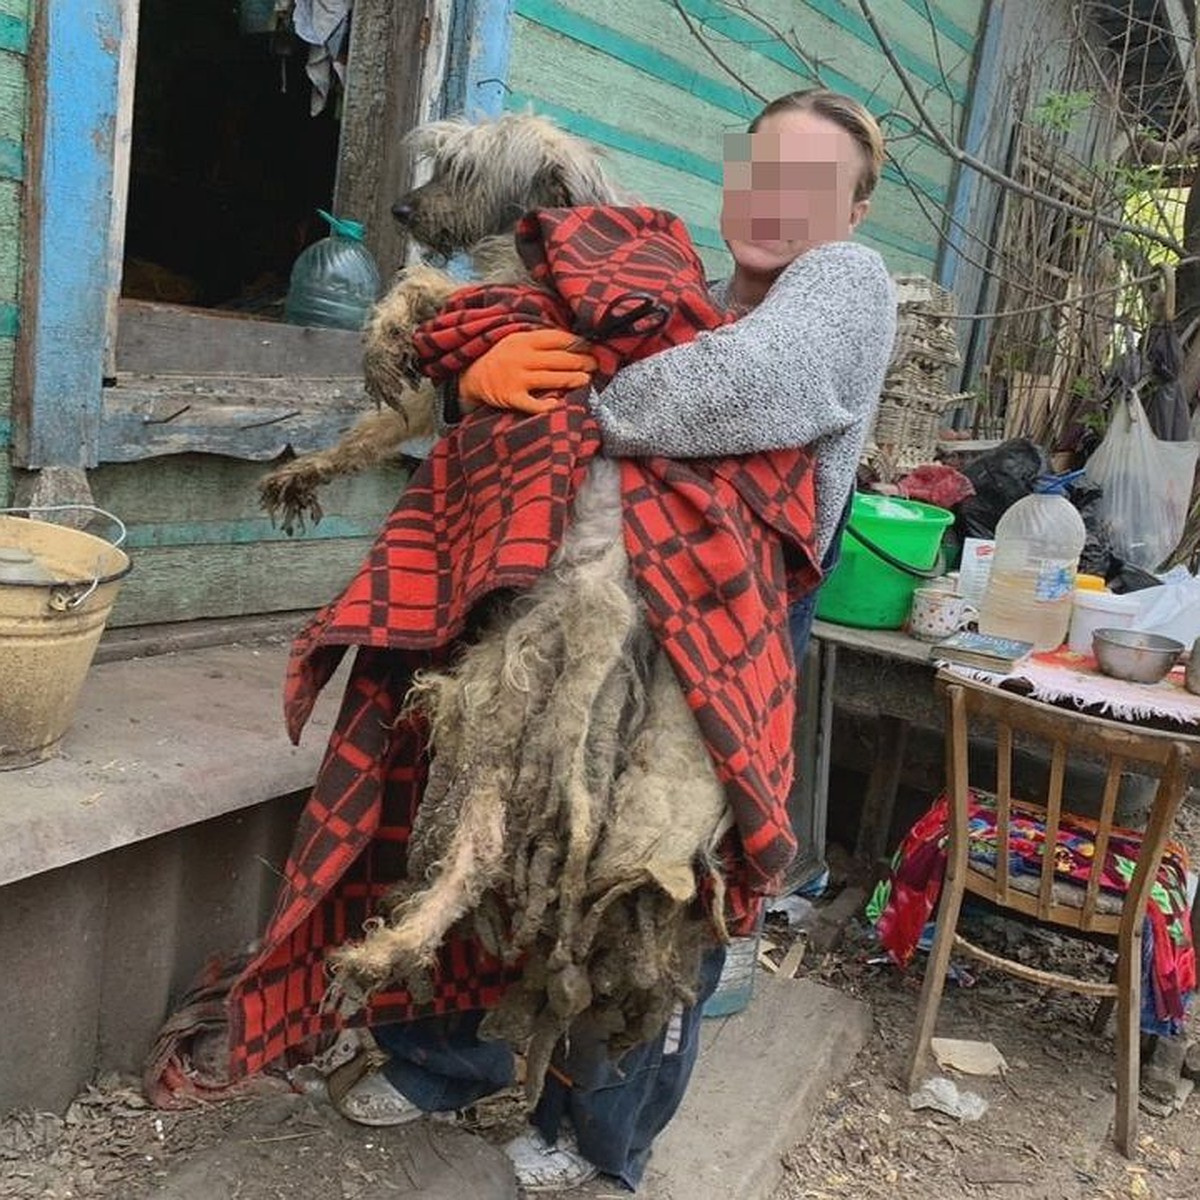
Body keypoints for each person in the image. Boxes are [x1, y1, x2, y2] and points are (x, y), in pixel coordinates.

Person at [328, 89, 896, 1192]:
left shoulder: (846, 286)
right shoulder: (667, 287)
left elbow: (739, 388)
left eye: (813, 184)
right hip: (584, 600)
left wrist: (567, 403)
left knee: (656, 882)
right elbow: (514, 368)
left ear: (854, 214)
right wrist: (474, 375)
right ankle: (455, 1059)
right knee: (503, 819)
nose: (779, 198)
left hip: (729, 636)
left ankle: (601, 1136)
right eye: (765, 165)